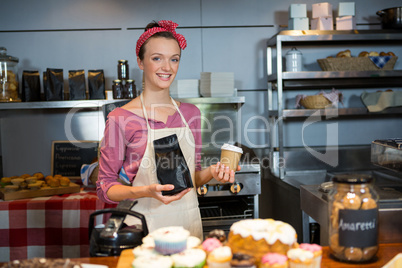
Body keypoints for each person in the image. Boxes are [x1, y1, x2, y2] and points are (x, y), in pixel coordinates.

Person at [96, 20, 240, 239]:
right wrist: (144, 191)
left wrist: (212, 173)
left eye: (174, 59)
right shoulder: (120, 118)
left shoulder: (191, 114)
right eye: (157, 58)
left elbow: (192, 177)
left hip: (188, 228)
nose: (167, 67)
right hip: (143, 229)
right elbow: (105, 187)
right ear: (141, 62)